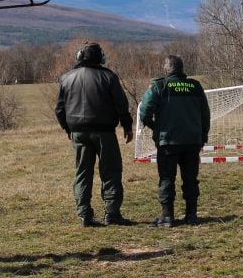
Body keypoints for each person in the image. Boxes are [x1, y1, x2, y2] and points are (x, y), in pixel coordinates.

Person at [55, 42, 134, 227]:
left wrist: (68, 129)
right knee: (111, 171)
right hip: (104, 132)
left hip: (78, 132)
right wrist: (127, 126)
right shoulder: (108, 76)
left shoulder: (66, 78)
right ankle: (112, 213)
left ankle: (84, 215)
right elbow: (121, 105)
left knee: (82, 173)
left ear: (80, 56)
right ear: (100, 58)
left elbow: (59, 108)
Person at [138, 54, 210, 227]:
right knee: (191, 179)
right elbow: (205, 115)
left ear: (167, 68)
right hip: (192, 141)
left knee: (166, 178)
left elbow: (144, 111)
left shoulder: (160, 86)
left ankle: (167, 216)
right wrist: (202, 137)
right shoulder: (195, 86)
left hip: (168, 141)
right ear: (181, 68)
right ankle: (191, 215)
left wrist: (155, 127)